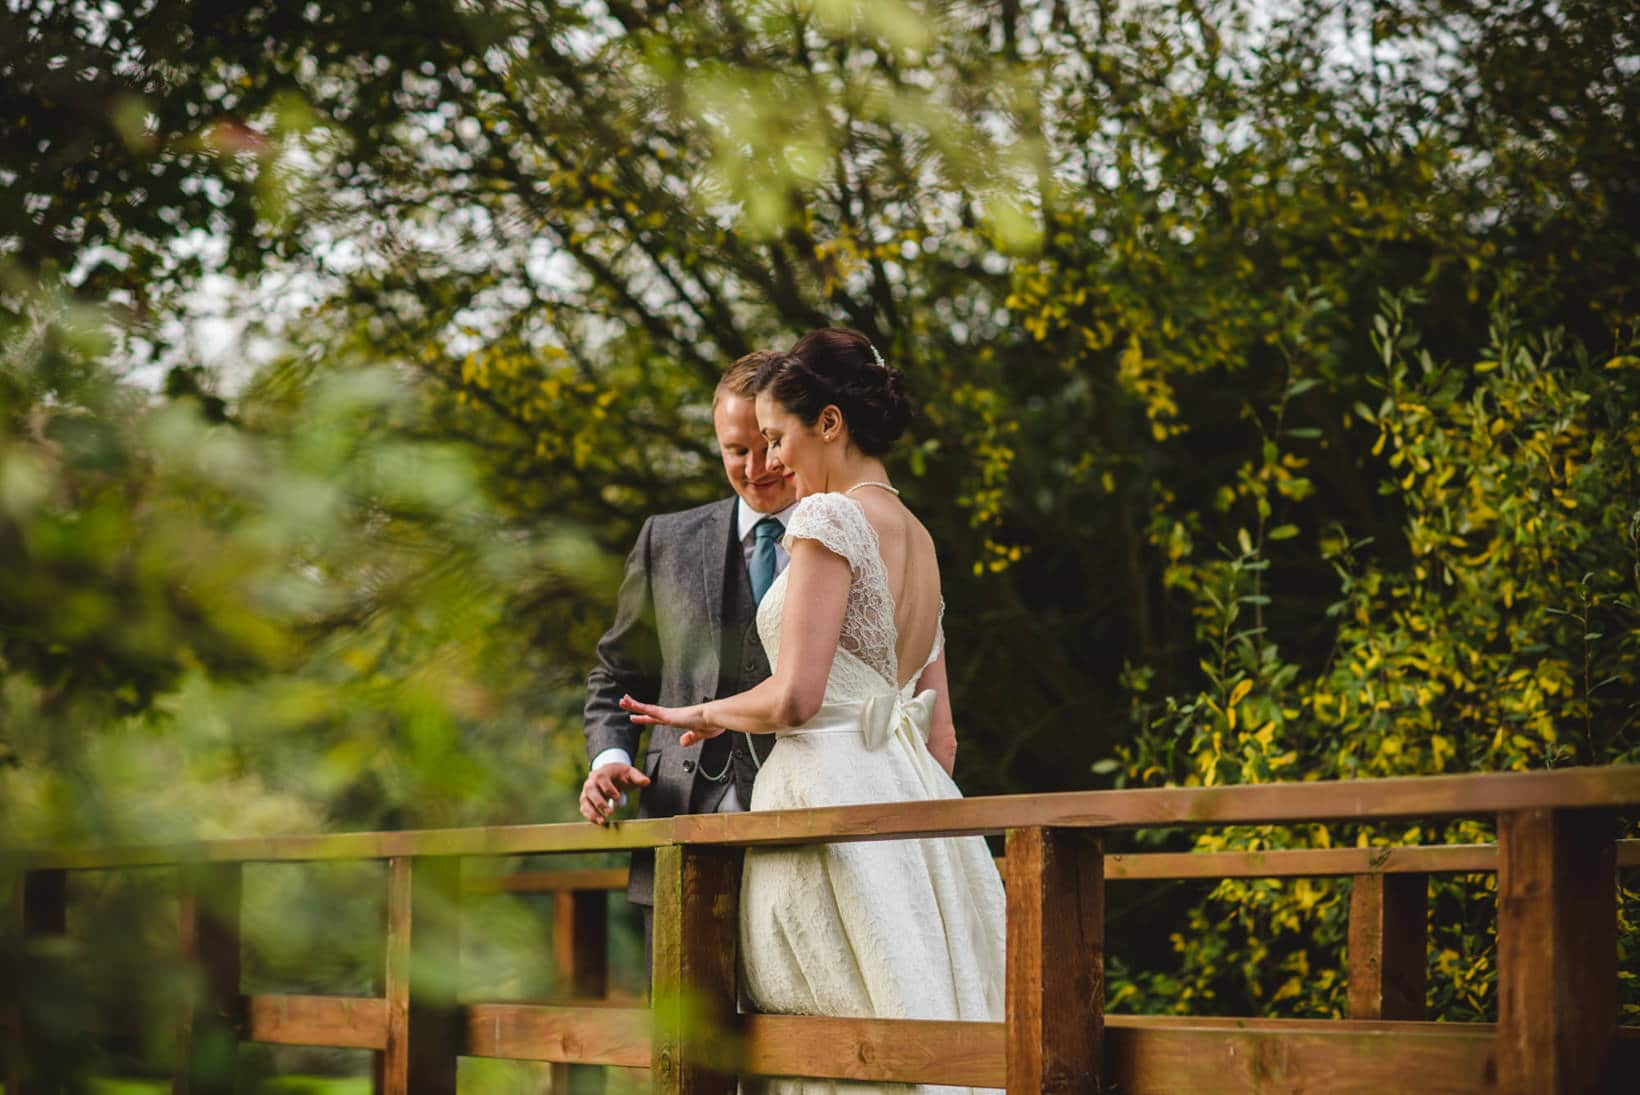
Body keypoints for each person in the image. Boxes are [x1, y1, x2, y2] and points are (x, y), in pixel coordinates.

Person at [621, 329, 1006, 1094]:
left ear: (829, 423)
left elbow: (797, 695)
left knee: (826, 1026)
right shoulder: (919, 538)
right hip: (914, 801)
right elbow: (942, 734)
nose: (769, 462)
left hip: (825, 800)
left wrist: (707, 710)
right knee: (921, 997)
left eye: (777, 437)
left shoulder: (827, 521)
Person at [581, 350, 797, 974]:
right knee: (682, 1046)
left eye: (767, 446)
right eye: (736, 450)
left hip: (807, 825)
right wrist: (610, 759)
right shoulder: (665, 539)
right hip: (676, 822)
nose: (755, 469)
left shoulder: (844, 531)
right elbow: (616, 676)